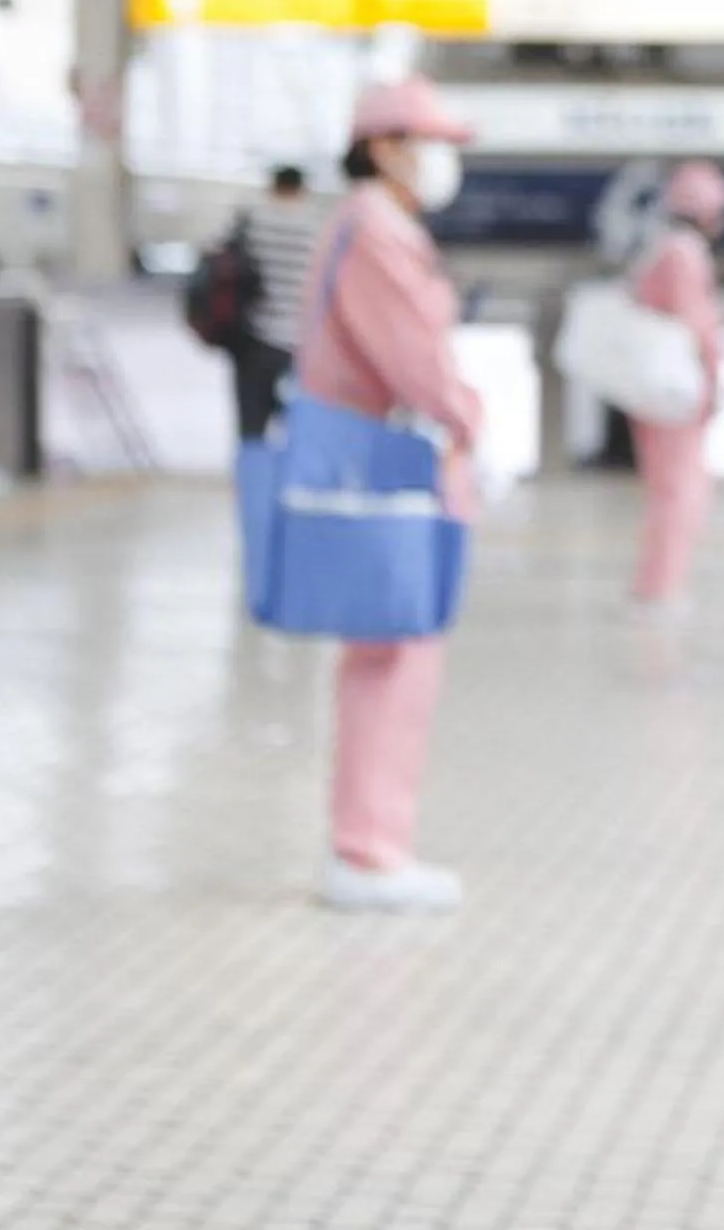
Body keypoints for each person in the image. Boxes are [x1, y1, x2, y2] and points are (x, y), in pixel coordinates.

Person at [297, 77, 485, 914]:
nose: (441, 158)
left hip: (371, 457)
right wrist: (468, 416)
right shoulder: (376, 229)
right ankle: (369, 851)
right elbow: (413, 355)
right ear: (381, 145)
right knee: (393, 655)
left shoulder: (363, 223)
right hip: (387, 463)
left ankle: (371, 842)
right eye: (428, 139)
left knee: (385, 653)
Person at [631, 160, 724, 611]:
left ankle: (660, 583)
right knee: (679, 490)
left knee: (668, 488)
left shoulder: (661, 249)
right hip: (677, 390)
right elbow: (697, 326)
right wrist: (712, 379)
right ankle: (660, 588)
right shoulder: (685, 255)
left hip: (657, 386)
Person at [232, 165, 323, 443]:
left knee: (252, 427)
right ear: (302, 189)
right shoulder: (317, 227)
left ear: (272, 186)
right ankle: (293, 480)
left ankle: (253, 480)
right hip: (302, 340)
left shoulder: (252, 221)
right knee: (304, 425)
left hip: (255, 338)